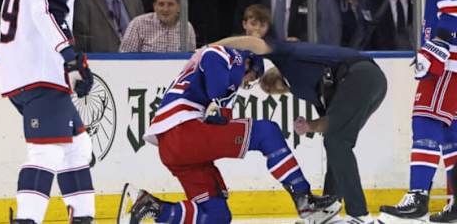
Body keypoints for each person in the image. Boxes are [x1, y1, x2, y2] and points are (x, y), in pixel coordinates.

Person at [118, 46, 341, 224]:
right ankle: (304, 198)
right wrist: (222, 106)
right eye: (250, 78)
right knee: (267, 132)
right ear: (248, 62)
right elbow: (212, 57)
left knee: (217, 216)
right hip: (183, 131)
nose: (245, 83)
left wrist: (220, 108)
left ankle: (151, 207)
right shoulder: (229, 55)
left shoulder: (214, 67)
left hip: (172, 149)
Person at [210, 35, 387, 224]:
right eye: (269, 91)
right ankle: (327, 209)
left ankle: (359, 214)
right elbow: (329, 123)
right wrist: (310, 125)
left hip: (360, 74)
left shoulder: (286, 57)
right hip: (371, 83)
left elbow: (253, 43)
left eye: (267, 84)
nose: (271, 88)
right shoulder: (306, 91)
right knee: (335, 143)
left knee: (336, 141)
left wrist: (213, 47)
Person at [0, 0, 95, 223]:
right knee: (47, 152)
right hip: (43, 75)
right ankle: (27, 219)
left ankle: (82, 217)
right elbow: (49, 15)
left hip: (17, 73)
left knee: (79, 146)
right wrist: (71, 58)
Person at [378, 0, 457, 223]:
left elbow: (452, 12)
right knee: (452, 131)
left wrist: (434, 51)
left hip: (449, 61)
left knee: (425, 119)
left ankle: (418, 197)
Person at [119, 0, 196, 52]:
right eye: (161, 4)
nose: (165, 9)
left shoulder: (187, 27)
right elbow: (124, 58)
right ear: (155, 6)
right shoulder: (138, 24)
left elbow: (191, 61)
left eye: (170, 4)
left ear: (179, 7)